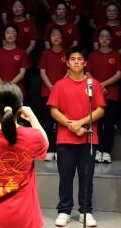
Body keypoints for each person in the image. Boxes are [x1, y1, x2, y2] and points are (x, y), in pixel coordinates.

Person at [0, 83, 49, 228]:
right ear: (20, 107)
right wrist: (32, 118)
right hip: (24, 216)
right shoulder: (33, 136)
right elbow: (45, 143)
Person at [48, 46, 106, 227]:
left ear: (85, 63)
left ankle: (86, 211)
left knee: (86, 176)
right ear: (67, 62)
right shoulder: (60, 84)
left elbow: (100, 110)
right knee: (65, 176)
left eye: (80, 59)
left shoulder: (93, 84)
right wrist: (72, 126)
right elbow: (53, 110)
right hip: (66, 138)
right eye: (72, 59)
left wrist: (80, 123)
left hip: (88, 138)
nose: (76, 62)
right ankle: (64, 210)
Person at [88, 28, 121, 164]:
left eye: (107, 36)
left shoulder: (116, 55)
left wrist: (103, 85)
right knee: (97, 122)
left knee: (109, 124)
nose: (104, 39)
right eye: (101, 36)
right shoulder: (92, 55)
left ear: (111, 39)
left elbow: (118, 74)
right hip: (96, 94)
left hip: (111, 94)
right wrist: (98, 87)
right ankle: (98, 150)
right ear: (98, 39)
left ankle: (107, 151)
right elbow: (88, 74)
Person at [38, 26, 67, 161]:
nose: (56, 37)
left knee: (61, 120)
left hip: (63, 92)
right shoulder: (45, 54)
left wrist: (59, 85)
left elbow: (69, 71)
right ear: (49, 38)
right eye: (53, 35)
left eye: (59, 35)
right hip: (47, 90)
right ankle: (49, 148)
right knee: (47, 121)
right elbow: (42, 71)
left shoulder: (66, 53)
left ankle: (60, 148)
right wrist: (50, 85)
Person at [0, 25, 28, 94]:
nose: (10, 35)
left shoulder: (22, 52)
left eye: (13, 33)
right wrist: (2, 86)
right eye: (7, 33)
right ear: (4, 35)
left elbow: (22, 73)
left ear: (17, 35)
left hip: (16, 90)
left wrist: (9, 86)